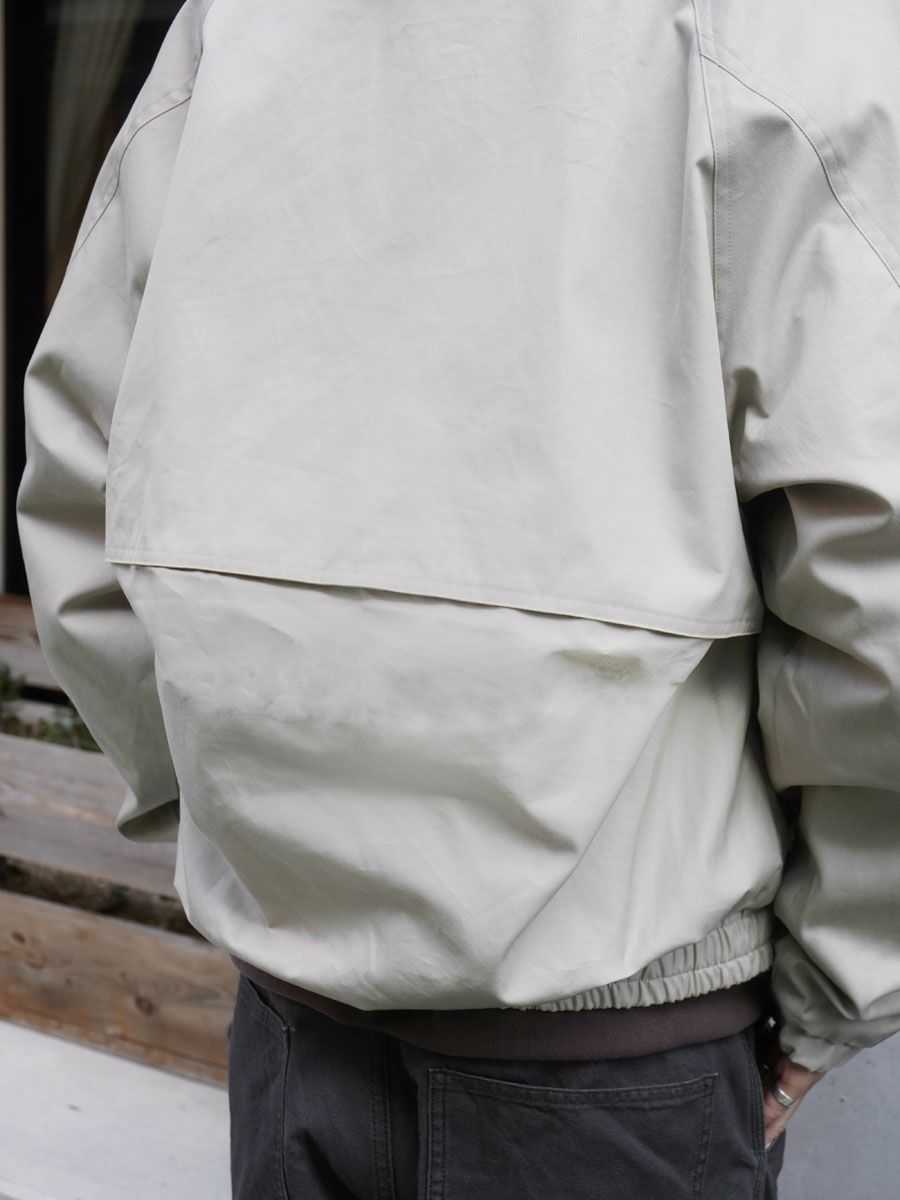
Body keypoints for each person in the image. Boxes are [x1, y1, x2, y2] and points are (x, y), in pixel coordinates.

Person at [15, 0, 900, 1196]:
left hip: (298, 1032)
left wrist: (244, 825)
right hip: (619, 1051)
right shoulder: (785, 29)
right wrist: (841, 983)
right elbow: (875, 571)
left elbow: (81, 475)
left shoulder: (238, 22)